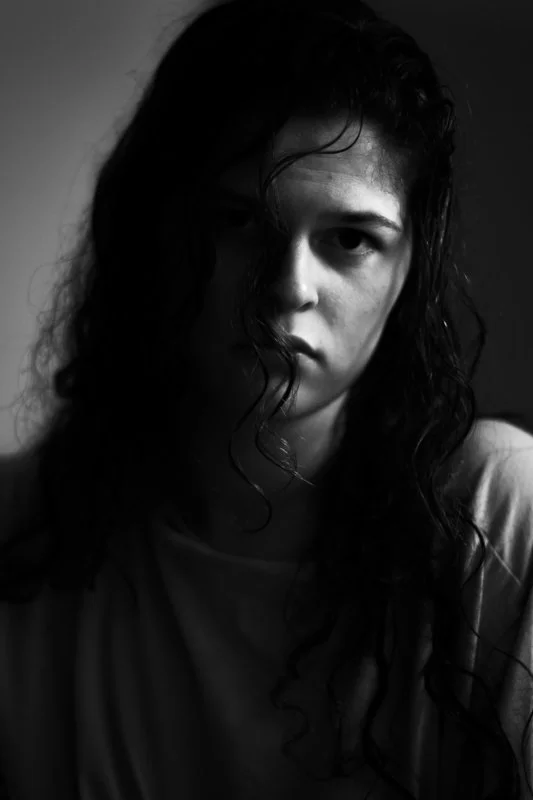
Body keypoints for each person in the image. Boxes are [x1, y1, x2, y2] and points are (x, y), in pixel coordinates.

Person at [0, 0, 532, 797]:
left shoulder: (492, 516)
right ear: (156, 233)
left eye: (349, 239)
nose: (287, 286)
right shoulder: (20, 534)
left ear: (408, 271)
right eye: (237, 219)